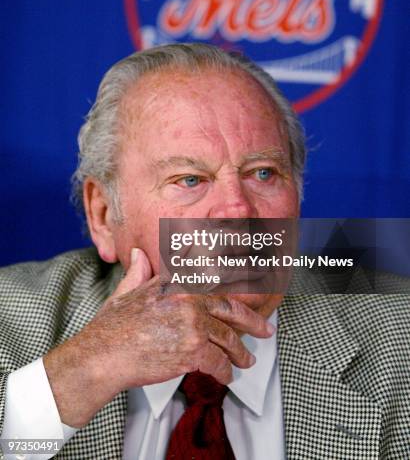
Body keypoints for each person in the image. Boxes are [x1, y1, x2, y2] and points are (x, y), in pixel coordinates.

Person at [0, 43, 408, 460]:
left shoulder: (399, 337)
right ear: (104, 216)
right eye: (190, 180)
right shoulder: (9, 322)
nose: (238, 209)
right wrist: (84, 373)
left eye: (263, 173)